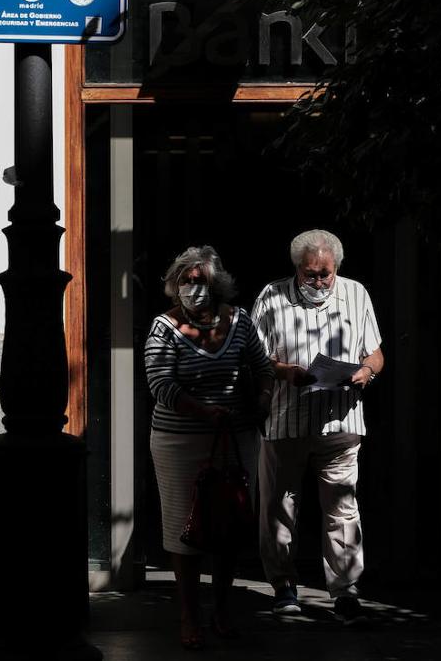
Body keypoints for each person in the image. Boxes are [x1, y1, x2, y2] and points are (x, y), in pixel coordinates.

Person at [250, 229, 383, 626]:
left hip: (341, 421)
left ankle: (345, 590)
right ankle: (283, 585)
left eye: (325, 274)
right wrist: (284, 371)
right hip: (287, 419)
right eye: (311, 274)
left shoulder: (356, 294)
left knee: (343, 508)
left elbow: (375, 353)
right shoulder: (271, 297)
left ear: (337, 268)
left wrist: (365, 372)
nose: (319, 282)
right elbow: (255, 357)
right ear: (297, 268)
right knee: (278, 507)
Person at [144, 245, 275, 649]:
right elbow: (161, 385)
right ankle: (189, 615)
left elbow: (263, 367)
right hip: (180, 443)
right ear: (174, 285)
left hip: (236, 440)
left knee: (228, 527)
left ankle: (222, 609)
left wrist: (263, 403)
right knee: (185, 532)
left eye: (200, 281)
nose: (193, 288)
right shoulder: (163, 328)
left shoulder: (241, 322)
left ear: (216, 285)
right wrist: (203, 411)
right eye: (186, 281)